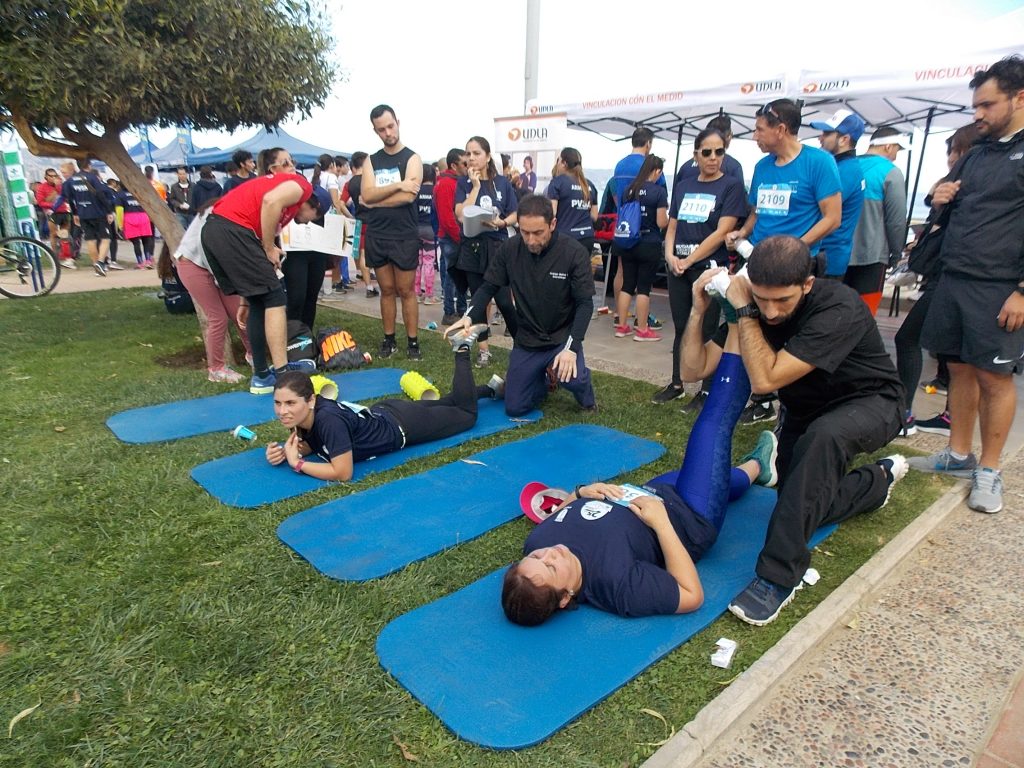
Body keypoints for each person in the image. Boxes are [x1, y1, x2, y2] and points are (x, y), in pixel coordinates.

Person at [501, 321, 783, 624]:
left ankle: (759, 466)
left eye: (536, 557)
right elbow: (691, 595)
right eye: (551, 567)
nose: (549, 554)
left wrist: (580, 493)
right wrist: (661, 523)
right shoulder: (616, 585)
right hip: (689, 517)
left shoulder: (537, 543)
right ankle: (742, 321)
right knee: (711, 428)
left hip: (652, 491)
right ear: (566, 596)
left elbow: (559, 517)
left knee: (720, 479)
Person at [690, 235, 906, 626]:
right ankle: (876, 481)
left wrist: (746, 310)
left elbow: (765, 380)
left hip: (872, 402)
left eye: (782, 301)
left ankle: (777, 578)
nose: (771, 312)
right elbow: (694, 369)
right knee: (800, 503)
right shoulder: (754, 304)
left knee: (823, 442)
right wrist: (698, 309)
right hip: (808, 413)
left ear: (807, 284)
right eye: (762, 299)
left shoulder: (839, 307)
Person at [909, 54, 1024, 515]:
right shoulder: (977, 152)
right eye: (975, 105)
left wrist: (1022, 290)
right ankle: (959, 454)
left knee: (994, 377)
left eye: (987, 105)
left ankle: (990, 470)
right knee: (957, 368)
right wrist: (936, 196)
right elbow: (941, 199)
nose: (978, 114)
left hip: (1000, 285)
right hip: (953, 277)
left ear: (1019, 98)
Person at [724, 99, 842, 426]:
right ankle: (759, 397)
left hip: (795, 267)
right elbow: (757, 211)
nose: (754, 136)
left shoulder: (819, 162)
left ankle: (793, 405)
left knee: (791, 333)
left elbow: (832, 218)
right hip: (757, 263)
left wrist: (794, 249)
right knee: (751, 324)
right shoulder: (763, 167)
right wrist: (742, 233)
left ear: (781, 129)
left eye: (759, 129)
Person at [265, 325, 500, 482]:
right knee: (450, 403)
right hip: (388, 412)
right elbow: (314, 444)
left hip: (405, 425)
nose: (282, 411)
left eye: (290, 403)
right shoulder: (305, 415)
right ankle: (491, 389)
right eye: (278, 403)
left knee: (466, 414)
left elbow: (343, 472)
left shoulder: (329, 420)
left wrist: (297, 464)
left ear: (311, 400)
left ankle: (462, 349)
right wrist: (285, 452)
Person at [446, 194, 597, 415]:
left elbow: (585, 304)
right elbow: (488, 287)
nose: (531, 240)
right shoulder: (509, 249)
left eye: (538, 233)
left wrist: (572, 349)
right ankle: (545, 378)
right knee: (515, 407)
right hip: (528, 339)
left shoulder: (573, 252)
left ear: (552, 224)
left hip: (561, 338)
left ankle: (586, 396)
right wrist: (468, 315)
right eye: (525, 232)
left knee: (573, 378)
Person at [200, 152, 327, 394]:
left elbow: (255, 262)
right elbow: (270, 201)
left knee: (260, 301)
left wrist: (245, 300)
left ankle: (261, 376)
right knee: (276, 298)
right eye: (315, 217)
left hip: (217, 230)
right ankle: (283, 374)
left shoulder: (272, 204)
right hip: (231, 230)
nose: (308, 222)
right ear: (314, 204)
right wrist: (268, 248)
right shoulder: (302, 185)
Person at [893, 125, 978, 438]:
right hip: (949, 277)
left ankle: (904, 414)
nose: (951, 157)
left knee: (908, 339)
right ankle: (949, 417)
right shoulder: (955, 184)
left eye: (956, 150)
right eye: (950, 151)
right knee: (955, 354)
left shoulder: (971, 187)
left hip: (952, 278)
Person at [654, 128, 747, 408]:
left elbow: (722, 231)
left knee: (707, 327)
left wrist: (690, 259)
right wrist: (670, 256)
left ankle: (706, 390)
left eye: (719, 151)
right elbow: (672, 225)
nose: (713, 157)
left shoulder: (731, 186)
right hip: (678, 267)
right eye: (707, 152)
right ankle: (677, 382)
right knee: (681, 326)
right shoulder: (683, 185)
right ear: (696, 155)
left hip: (708, 268)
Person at [360, 104, 425, 361]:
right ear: (375, 131)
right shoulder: (371, 160)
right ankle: (389, 339)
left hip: (404, 235)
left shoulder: (412, 158)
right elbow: (366, 194)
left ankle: (413, 342)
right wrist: (398, 185)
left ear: (398, 122)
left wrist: (376, 200)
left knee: (406, 290)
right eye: (381, 129)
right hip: (378, 233)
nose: (388, 133)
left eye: (390, 126)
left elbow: (409, 197)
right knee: (386, 289)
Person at [452, 135, 519, 368]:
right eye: (468, 153)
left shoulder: (502, 183)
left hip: (498, 246)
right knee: (478, 301)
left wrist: (502, 222)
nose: (471, 158)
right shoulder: (464, 183)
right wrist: (476, 187)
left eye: (476, 153)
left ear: (488, 156)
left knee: (505, 301)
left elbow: (515, 212)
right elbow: (461, 215)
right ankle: (483, 350)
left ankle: (522, 346)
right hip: (473, 247)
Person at [170, 201, 253, 383]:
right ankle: (216, 369)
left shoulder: (229, 214)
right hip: (193, 265)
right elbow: (210, 250)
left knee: (240, 313)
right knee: (218, 317)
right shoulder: (214, 215)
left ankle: (254, 356)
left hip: (214, 267)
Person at [612, 154, 668, 342]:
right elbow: (661, 222)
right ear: (657, 171)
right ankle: (642, 330)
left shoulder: (629, 189)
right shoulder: (658, 192)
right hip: (649, 243)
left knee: (628, 284)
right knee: (643, 288)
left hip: (628, 241)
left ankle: (621, 326)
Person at [809, 109, 866, 280]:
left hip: (827, 259)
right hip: (827, 256)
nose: (820, 138)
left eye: (827, 134)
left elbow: (815, 208)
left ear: (844, 139)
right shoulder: (843, 167)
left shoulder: (846, 170)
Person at [282, 186, 335, 331]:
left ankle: (305, 334)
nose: (306, 222)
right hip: (295, 252)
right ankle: (292, 335)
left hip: (318, 251)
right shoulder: (292, 201)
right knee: (296, 297)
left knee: (311, 297)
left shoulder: (321, 204)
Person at [59, 158, 117, 277]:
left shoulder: (70, 181)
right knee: (105, 238)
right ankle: (100, 262)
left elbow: (70, 199)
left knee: (91, 240)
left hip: (82, 213)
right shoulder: (92, 177)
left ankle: (96, 266)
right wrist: (109, 211)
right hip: (97, 213)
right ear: (89, 165)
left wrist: (75, 214)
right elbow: (100, 194)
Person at [434, 148, 469, 325]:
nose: (468, 165)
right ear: (454, 165)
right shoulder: (447, 184)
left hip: (454, 235)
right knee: (452, 276)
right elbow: (447, 218)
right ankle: (450, 312)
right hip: (452, 236)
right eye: (464, 163)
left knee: (458, 275)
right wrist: (460, 237)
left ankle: (460, 310)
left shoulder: (452, 182)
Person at [341, 151, 380, 299]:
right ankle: (386, 286)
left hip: (359, 221)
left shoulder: (349, 183)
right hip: (376, 221)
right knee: (379, 253)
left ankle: (369, 287)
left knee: (362, 254)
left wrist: (350, 216)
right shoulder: (372, 180)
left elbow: (341, 203)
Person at [546, 147, 599, 255]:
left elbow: (552, 213)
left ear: (564, 163)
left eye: (559, 160)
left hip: (565, 238)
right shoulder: (589, 185)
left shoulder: (557, 183)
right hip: (587, 238)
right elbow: (594, 216)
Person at [675, 114, 745, 186]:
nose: (713, 158)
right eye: (731, 134)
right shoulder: (733, 166)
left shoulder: (686, 167)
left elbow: (676, 191)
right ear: (728, 137)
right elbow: (740, 192)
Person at [35, 168, 73, 268]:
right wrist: (53, 202)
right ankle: (55, 257)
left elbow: (67, 197)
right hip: (52, 213)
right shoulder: (42, 187)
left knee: (65, 234)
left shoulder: (62, 185)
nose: (53, 178)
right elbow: (41, 202)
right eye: (50, 176)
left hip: (64, 211)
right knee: (53, 235)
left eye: (55, 176)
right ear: (46, 177)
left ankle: (67, 258)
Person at [117, 183, 155, 269]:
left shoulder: (120, 194)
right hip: (143, 217)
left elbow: (119, 210)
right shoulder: (139, 191)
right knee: (146, 241)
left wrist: (120, 224)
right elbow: (148, 204)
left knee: (136, 243)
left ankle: (140, 262)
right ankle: (148, 261)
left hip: (130, 218)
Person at [415, 163, 438, 304]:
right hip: (431, 230)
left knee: (417, 262)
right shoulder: (436, 190)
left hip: (416, 229)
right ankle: (429, 295)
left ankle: (416, 293)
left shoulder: (416, 190)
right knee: (429, 262)